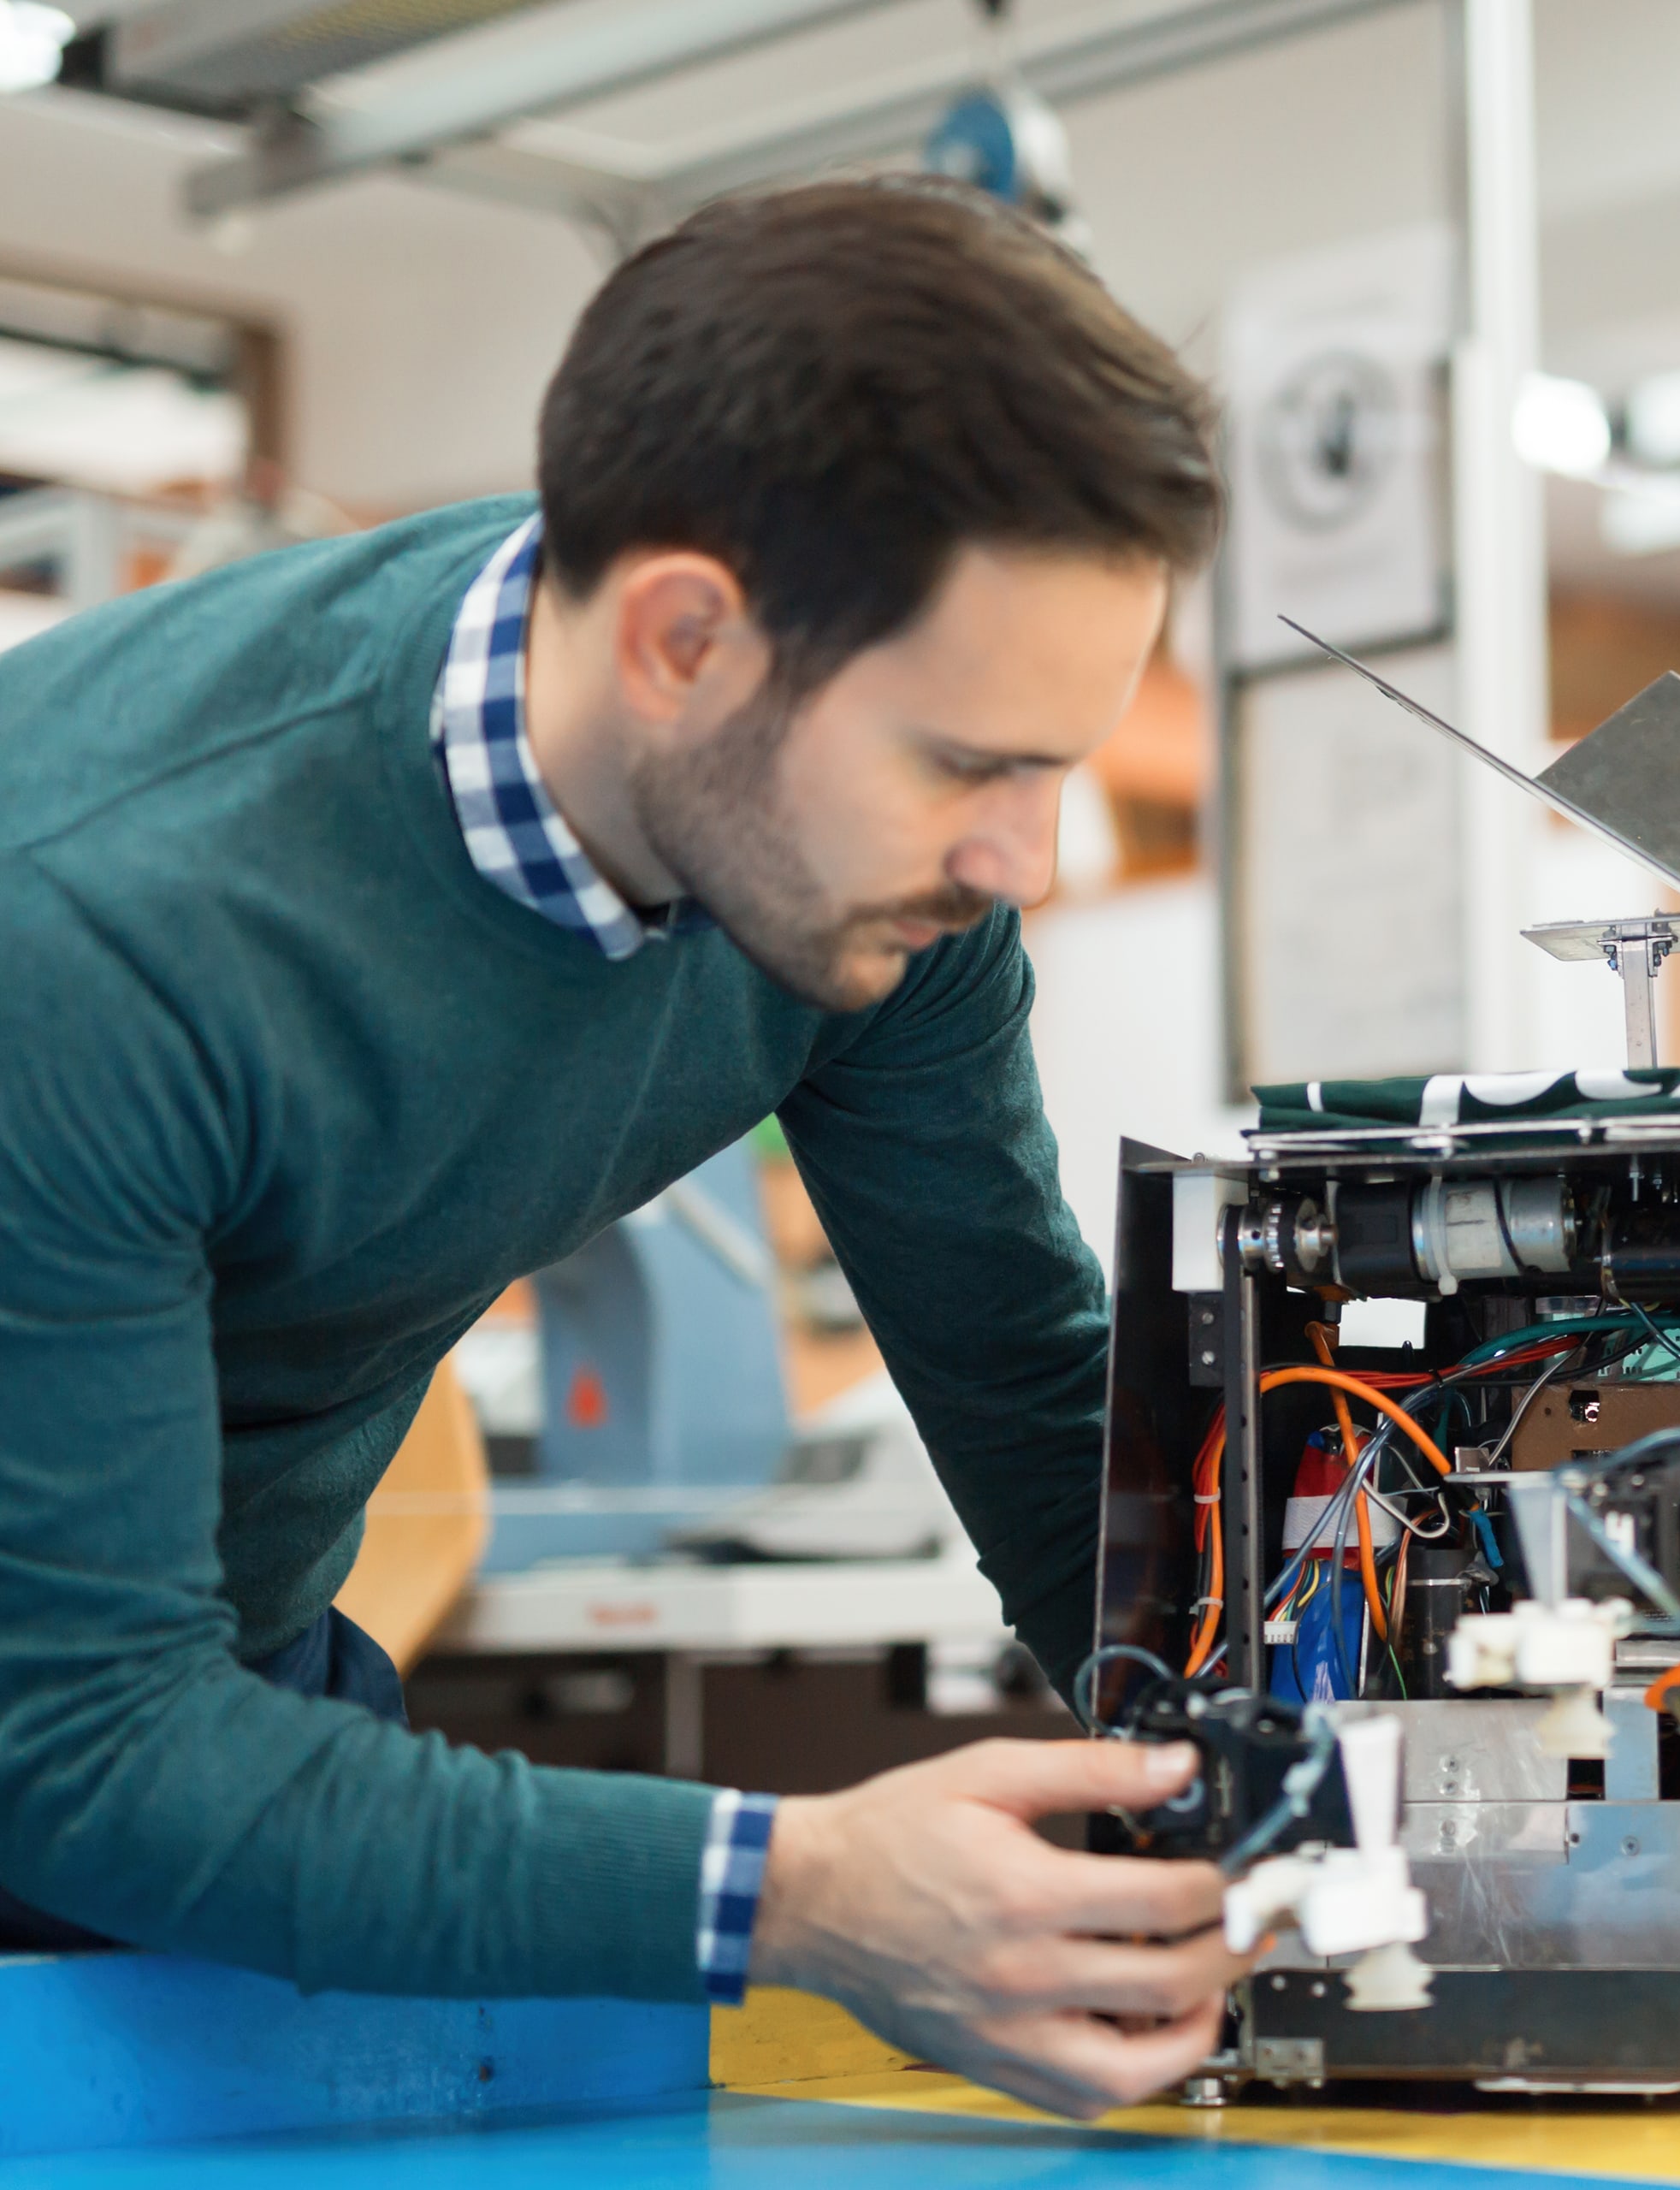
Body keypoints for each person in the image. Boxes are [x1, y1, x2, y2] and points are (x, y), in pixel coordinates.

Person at [0, 179, 1252, 2117]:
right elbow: (76, 1742)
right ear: (685, 639)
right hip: (81, 1725)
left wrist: (1274, 1780)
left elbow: (1025, 1381)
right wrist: (801, 1887)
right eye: (968, 761)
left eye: (1057, 764)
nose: (1025, 863)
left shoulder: (876, 906)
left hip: (213, 1710)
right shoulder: (91, 922)